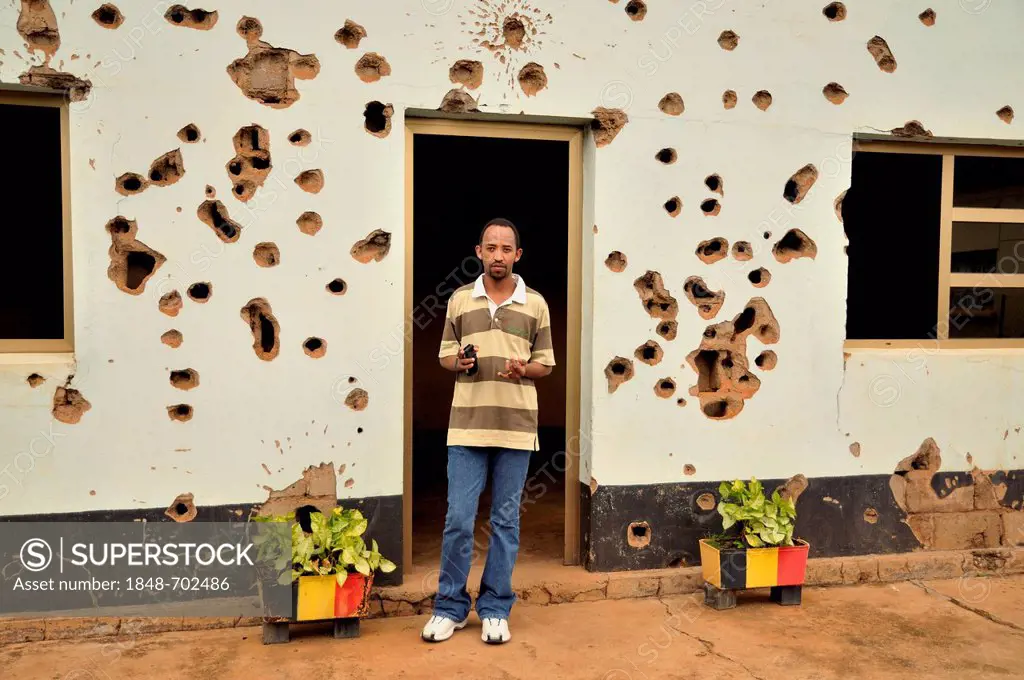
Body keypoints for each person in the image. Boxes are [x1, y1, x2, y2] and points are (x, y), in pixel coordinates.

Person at [421, 217, 555, 645]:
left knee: (504, 522)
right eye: (490, 247)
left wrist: (524, 369)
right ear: (479, 252)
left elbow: (546, 363)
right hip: (466, 427)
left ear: (518, 255)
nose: (498, 255)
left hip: (516, 428)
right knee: (459, 520)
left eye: (506, 248)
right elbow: (444, 354)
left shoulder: (535, 304)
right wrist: (458, 363)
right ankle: (450, 607)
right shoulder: (461, 300)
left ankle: (496, 608)